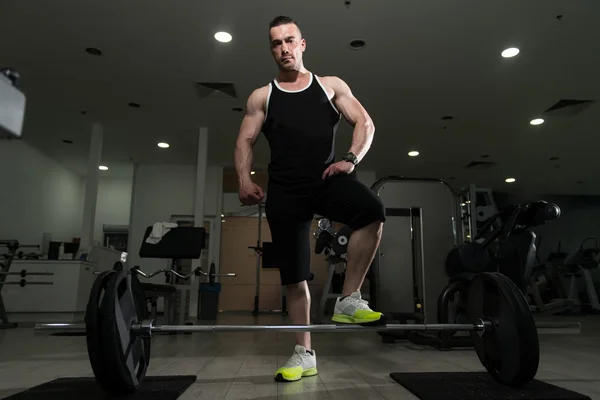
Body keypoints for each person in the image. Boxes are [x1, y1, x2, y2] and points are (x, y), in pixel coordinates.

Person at [234, 15, 386, 382]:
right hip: (284, 191)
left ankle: (349, 298)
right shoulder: (262, 96)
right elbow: (245, 141)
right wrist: (243, 179)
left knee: (372, 210)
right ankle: (304, 354)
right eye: (276, 43)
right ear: (271, 50)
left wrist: (350, 159)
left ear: (302, 44)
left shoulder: (330, 86)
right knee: (294, 276)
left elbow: (365, 123)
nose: (283, 48)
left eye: (289, 40)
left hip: (324, 179)